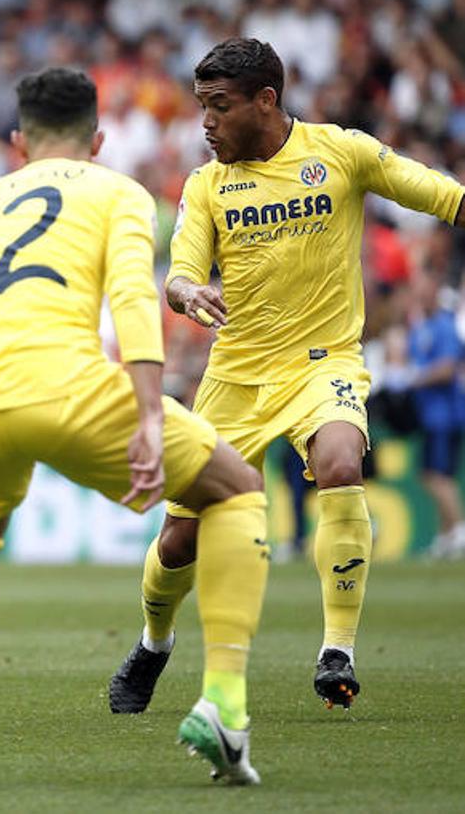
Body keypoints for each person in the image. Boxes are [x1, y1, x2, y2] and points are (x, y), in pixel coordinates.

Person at [0, 68, 269, 787]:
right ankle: (224, 702)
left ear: (17, 142)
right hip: (60, 383)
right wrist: (151, 413)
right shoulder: (116, 191)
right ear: (95, 140)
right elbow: (131, 298)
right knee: (235, 489)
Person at [109, 38, 465, 714]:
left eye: (218, 107)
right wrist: (187, 295)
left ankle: (337, 650)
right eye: (200, 108)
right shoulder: (204, 185)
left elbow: (442, 196)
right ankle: (154, 644)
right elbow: (179, 274)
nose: (204, 122)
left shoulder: (342, 152)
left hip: (322, 363)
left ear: (264, 101)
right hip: (235, 376)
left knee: (338, 462)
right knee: (179, 537)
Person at [404, 272, 465, 559]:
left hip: (446, 413)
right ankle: (446, 535)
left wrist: (415, 378)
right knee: (436, 473)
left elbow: (447, 367)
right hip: (428, 413)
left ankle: (459, 529)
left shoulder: (444, 325)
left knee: (438, 475)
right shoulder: (421, 327)